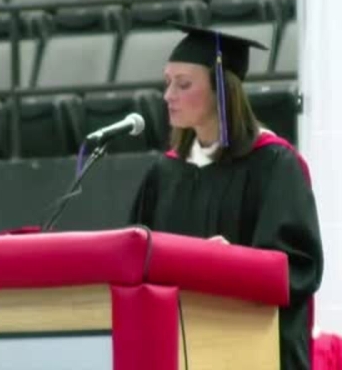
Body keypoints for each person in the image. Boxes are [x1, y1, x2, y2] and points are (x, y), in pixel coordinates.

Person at [130, 22, 324, 370]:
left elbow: (298, 268)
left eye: (183, 84)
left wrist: (234, 264)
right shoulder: (164, 174)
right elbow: (136, 264)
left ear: (222, 91)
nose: (168, 95)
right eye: (167, 82)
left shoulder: (274, 165)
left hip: (249, 351)